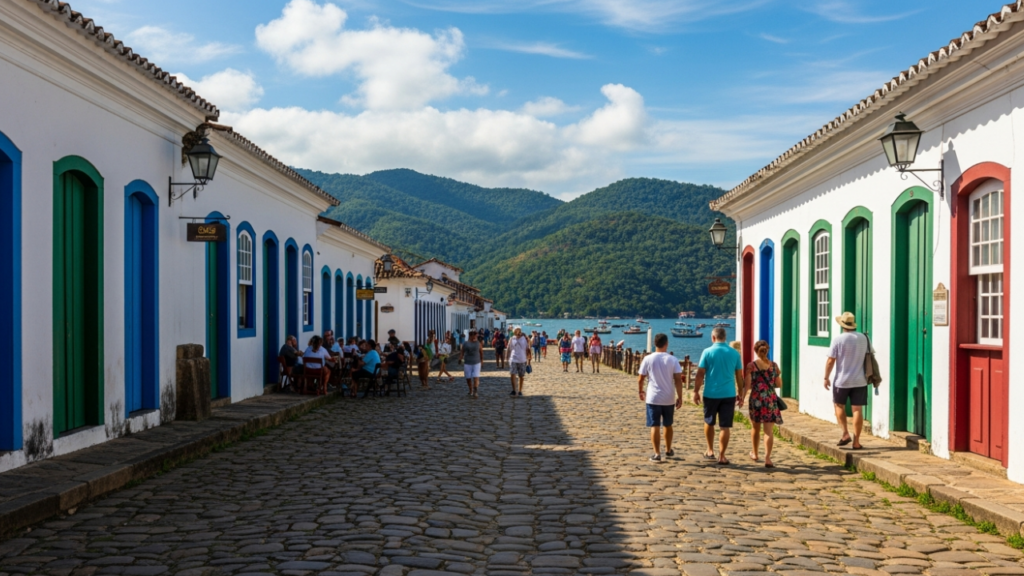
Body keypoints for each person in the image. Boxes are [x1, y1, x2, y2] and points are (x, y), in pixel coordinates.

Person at [694, 327, 744, 465]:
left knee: (709, 421)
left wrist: (696, 391)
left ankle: (710, 450)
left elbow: (700, 374)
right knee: (725, 426)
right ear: (725, 337)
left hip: (711, 393)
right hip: (728, 393)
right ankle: (722, 455)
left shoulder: (707, 352)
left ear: (713, 337)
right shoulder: (734, 353)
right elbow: (739, 376)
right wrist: (741, 393)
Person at [825, 312, 874, 449]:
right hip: (860, 380)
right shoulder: (864, 338)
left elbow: (830, 361)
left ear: (842, 325)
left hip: (842, 380)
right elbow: (869, 355)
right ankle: (856, 441)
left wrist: (826, 377)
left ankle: (845, 433)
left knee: (839, 405)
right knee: (857, 409)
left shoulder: (838, 340)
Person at [638, 333, 683, 462]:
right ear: (666, 344)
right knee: (668, 424)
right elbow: (678, 379)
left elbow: (640, 378)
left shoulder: (648, 359)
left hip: (653, 397)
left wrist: (640, 391)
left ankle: (657, 454)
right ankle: (668, 450)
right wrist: (680, 397)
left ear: (654, 344)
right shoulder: (672, 359)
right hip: (668, 397)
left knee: (655, 425)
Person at [745, 340, 784, 467]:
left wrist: (742, 397)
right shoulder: (774, 365)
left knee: (755, 428)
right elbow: (779, 384)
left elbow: (748, 385)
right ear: (767, 350)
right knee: (768, 431)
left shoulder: (751, 366)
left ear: (755, 351)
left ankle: (755, 453)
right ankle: (767, 458)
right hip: (770, 400)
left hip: (756, 399)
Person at [507, 327, 531, 396]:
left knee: (521, 376)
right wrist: (507, 357)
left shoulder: (524, 339)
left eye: (519, 331)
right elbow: (509, 348)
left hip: (522, 359)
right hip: (513, 359)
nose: (518, 332)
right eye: (516, 331)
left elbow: (528, 348)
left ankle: (520, 390)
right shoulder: (512, 339)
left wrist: (529, 359)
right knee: (512, 374)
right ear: (514, 332)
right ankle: (514, 390)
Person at [461, 330, 483, 398]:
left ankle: (475, 391)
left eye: (476, 336)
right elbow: (462, 351)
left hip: (476, 362)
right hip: (467, 362)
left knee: (476, 377)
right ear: (470, 336)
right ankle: (470, 389)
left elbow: (481, 352)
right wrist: (460, 358)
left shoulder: (478, 343)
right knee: (468, 377)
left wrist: (482, 360)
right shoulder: (465, 343)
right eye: (475, 336)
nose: (476, 337)